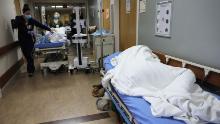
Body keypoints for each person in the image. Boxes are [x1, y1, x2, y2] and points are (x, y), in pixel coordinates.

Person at [15, 4, 52, 77]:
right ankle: (31, 70)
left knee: (30, 56)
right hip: (22, 41)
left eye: (29, 13)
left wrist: (49, 29)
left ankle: (31, 70)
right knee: (27, 56)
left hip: (30, 40)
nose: (29, 15)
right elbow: (16, 25)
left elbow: (40, 25)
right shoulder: (19, 19)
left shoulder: (31, 20)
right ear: (23, 13)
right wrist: (27, 30)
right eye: (27, 14)